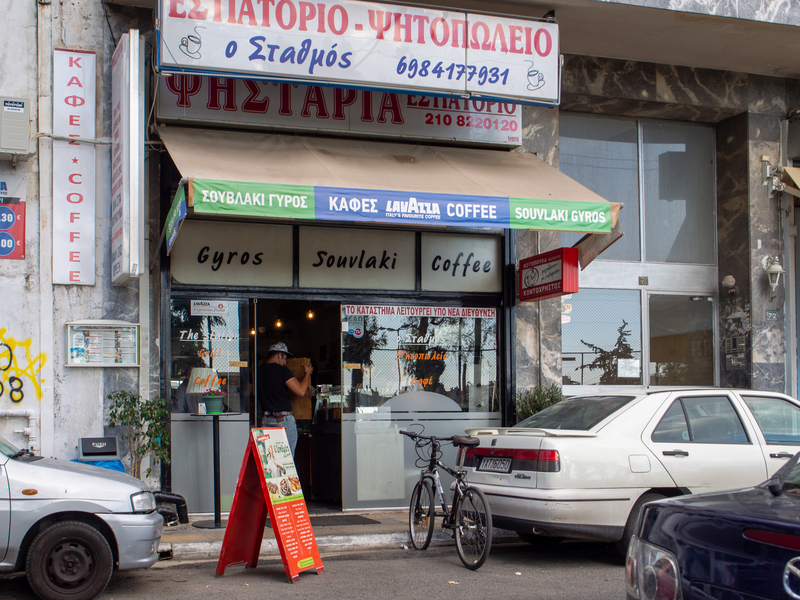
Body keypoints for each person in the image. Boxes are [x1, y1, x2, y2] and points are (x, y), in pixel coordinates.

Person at [256, 342, 312, 457]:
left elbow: (248, 391)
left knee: (271, 460)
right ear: (279, 355)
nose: (285, 363)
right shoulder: (282, 370)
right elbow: (301, 391)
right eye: (285, 358)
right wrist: (307, 374)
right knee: (287, 460)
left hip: (266, 421)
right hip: (283, 421)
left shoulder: (258, 371)